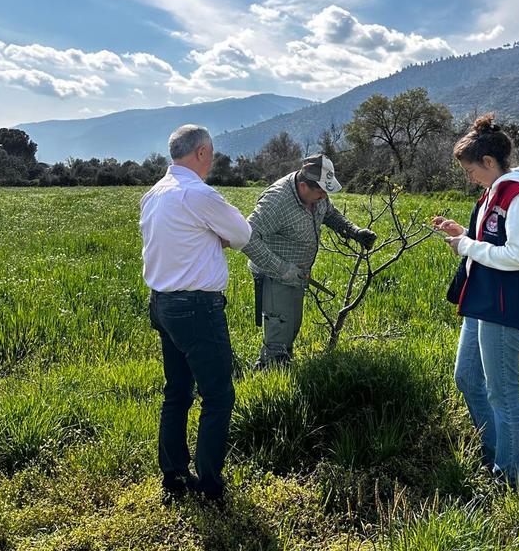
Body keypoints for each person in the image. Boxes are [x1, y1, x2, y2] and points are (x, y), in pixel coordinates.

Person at [432, 114, 519, 489]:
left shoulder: (517, 197)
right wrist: (463, 232)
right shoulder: (492, 196)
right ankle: (496, 451)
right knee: (466, 377)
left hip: (503, 307)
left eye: (470, 171)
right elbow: (494, 243)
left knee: (502, 393)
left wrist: (466, 246)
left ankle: (508, 476)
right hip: (482, 301)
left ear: (488, 162)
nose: (469, 178)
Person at [139, 124, 252, 504]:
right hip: (197, 308)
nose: (213, 159)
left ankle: (172, 474)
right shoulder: (198, 194)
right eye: (213, 153)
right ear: (202, 152)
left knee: (177, 392)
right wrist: (217, 237)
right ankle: (209, 484)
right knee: (218, 395)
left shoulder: (153, 194)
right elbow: (242, 234)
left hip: (162, 302)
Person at [242, 154, 377, 369]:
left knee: (291, 327)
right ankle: (270, 377)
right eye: (321, 192)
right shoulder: (277, 201)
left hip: (298, 274)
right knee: (279, 333)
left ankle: (283, 368)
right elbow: (246, 237)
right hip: (274, 275)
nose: (324, 197)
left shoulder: (318, 195)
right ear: (304, 186)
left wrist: (354, 231)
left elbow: (329, 214)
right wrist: (282, 269)